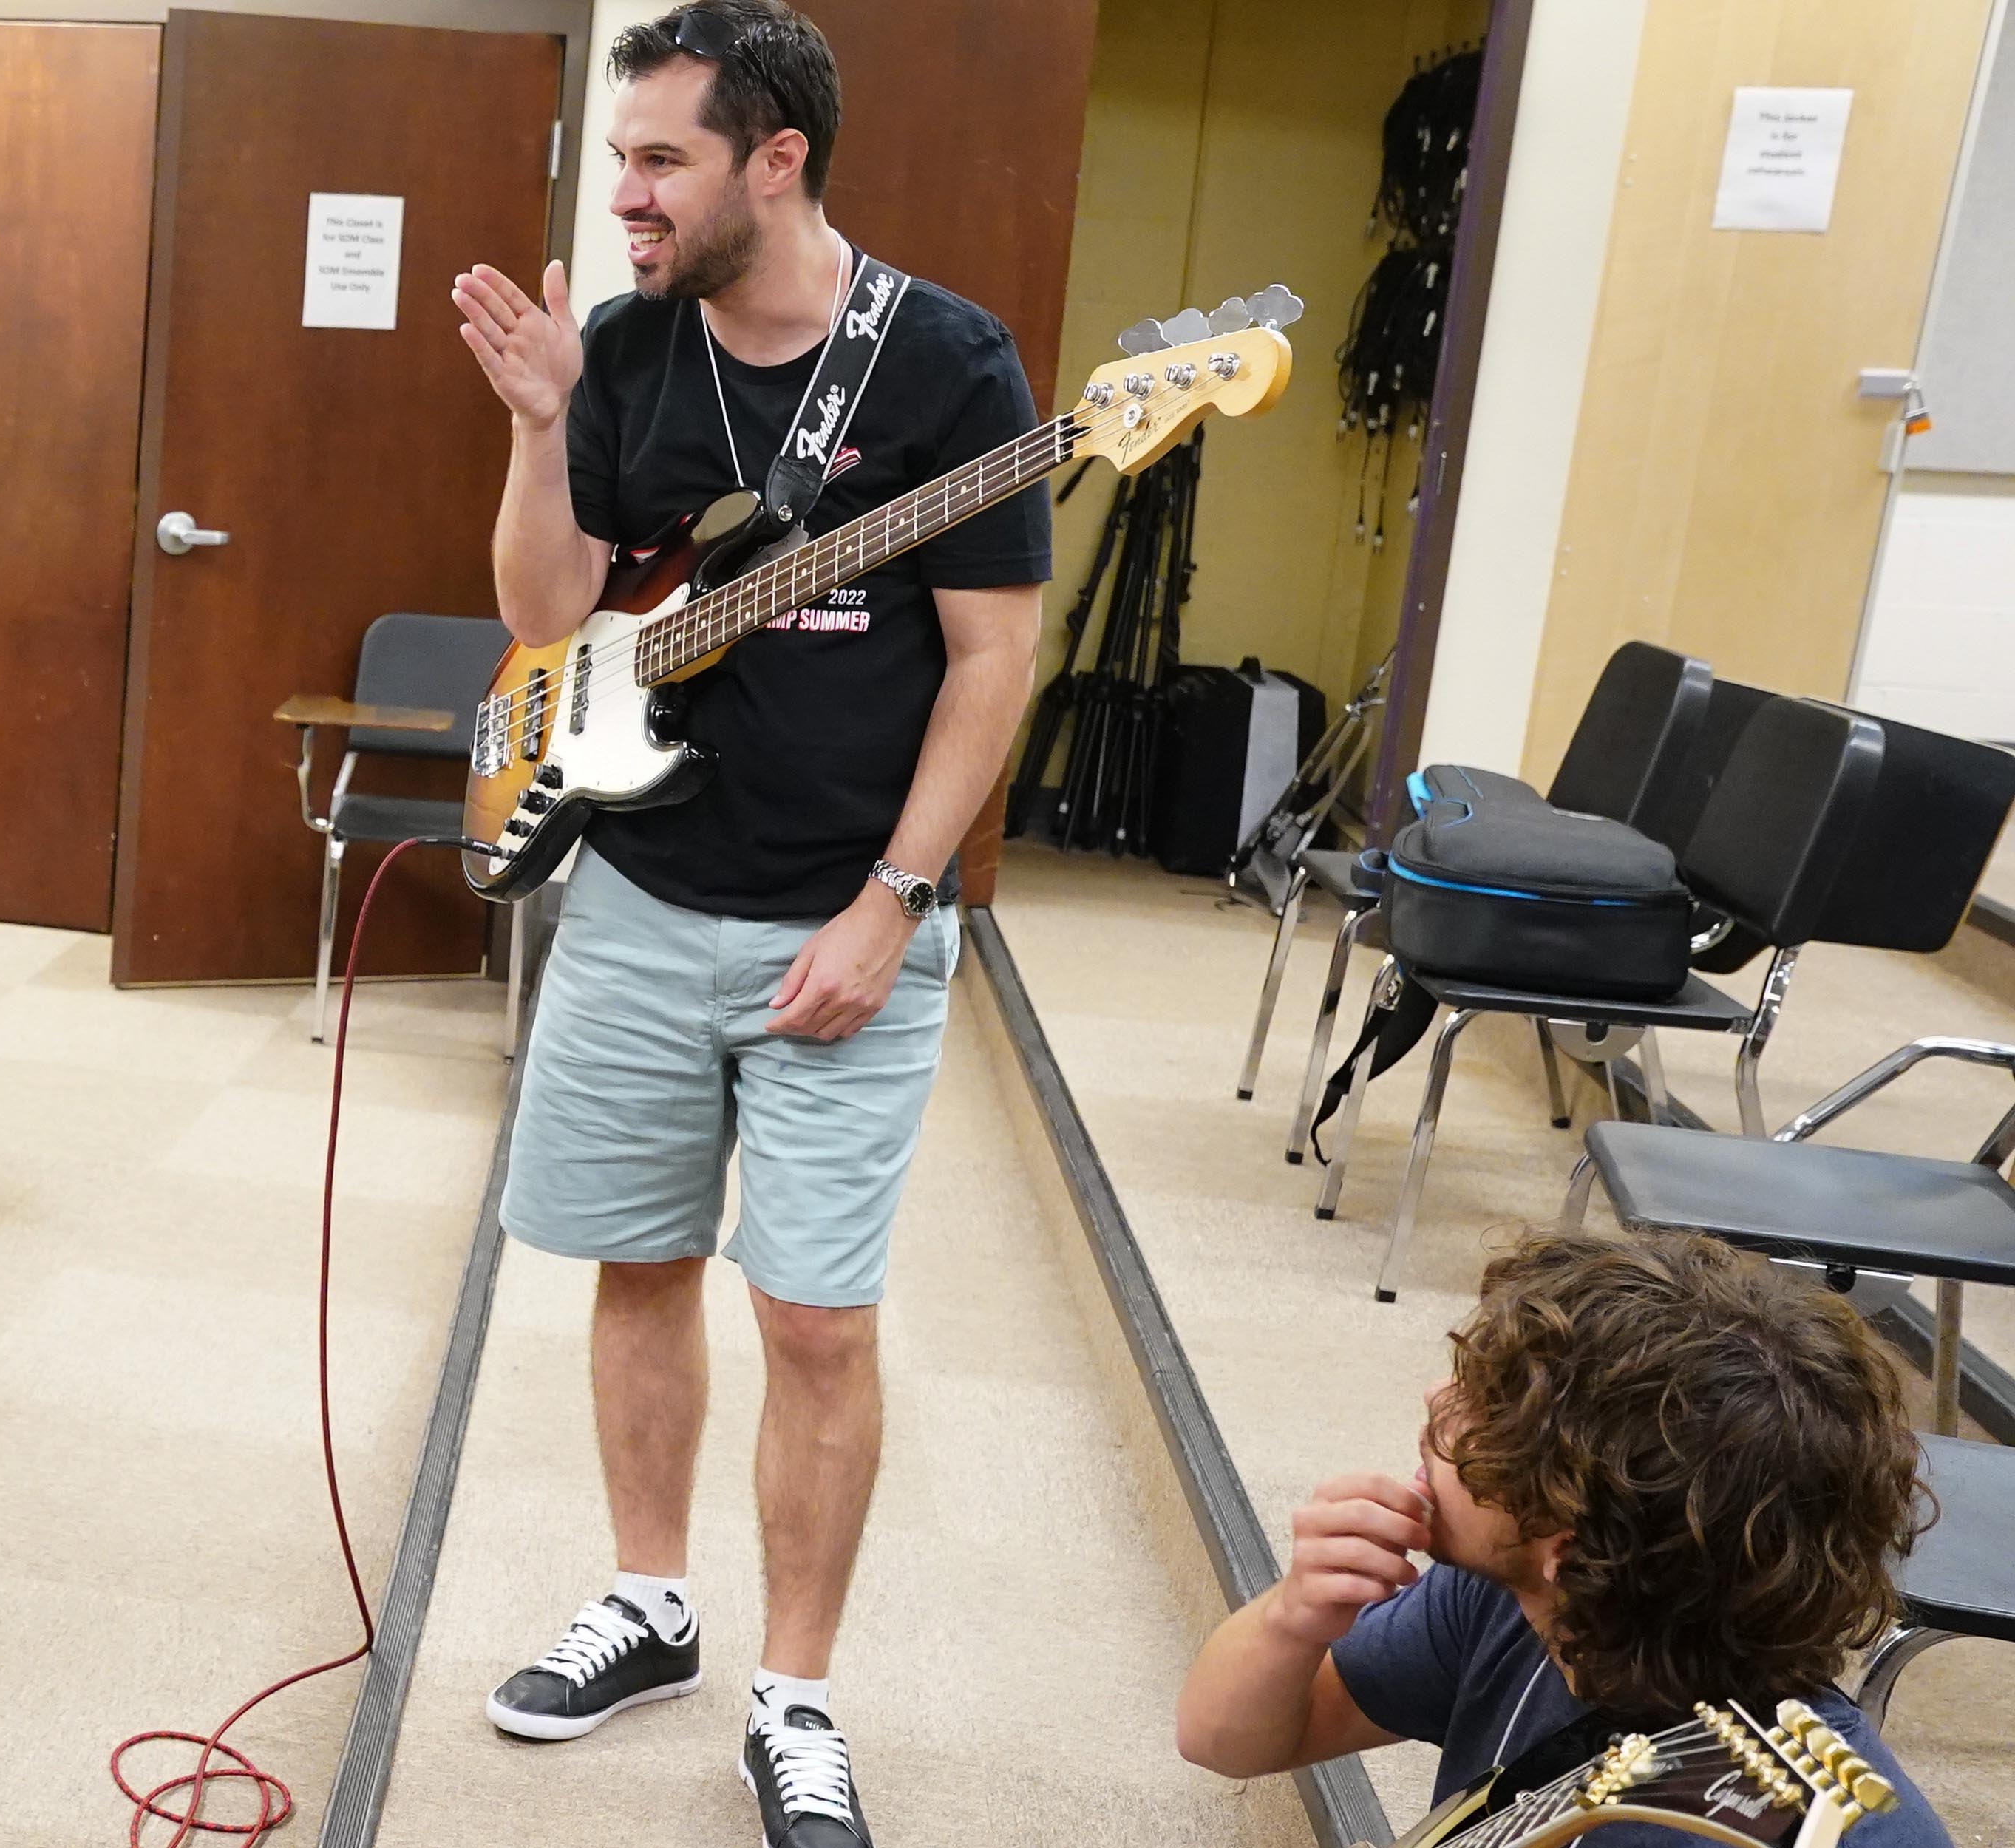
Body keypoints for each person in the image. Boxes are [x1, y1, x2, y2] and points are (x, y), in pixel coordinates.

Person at [444, 5, 1046, 1843]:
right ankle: (649, 1601)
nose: (623, 193)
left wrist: (897, 900)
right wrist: (544, 427)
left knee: (815, 1324)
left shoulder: (947, 366)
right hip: (635, 890)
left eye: (660, 162)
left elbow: (993, 659)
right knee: (634, 1264)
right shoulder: (627, 353)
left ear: (773, 161)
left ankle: (796, 1695)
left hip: (843, 917)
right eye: (624, 159)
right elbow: (555, 624)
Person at [1177, 1231, 1948, 1847]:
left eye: (1487, 1411)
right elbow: (1223, 1740)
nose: (1437, 1399)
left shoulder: (1783, 1824)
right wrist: (1294, 1617)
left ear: (1568, 1546)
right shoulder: (1511, 1598)